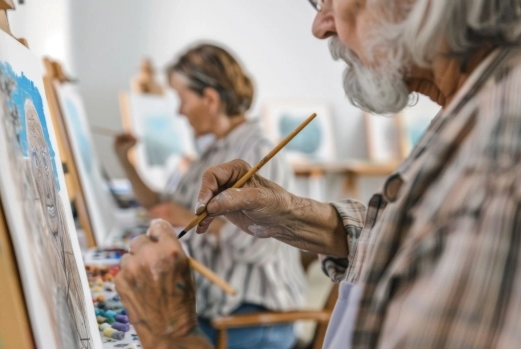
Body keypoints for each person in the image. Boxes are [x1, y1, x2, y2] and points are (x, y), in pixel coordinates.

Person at [116, 0, 521, 348]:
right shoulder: (469, 113)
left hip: (251, 317)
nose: (320, 26)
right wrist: (291, 214)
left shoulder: (496, 164)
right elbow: (418, 246)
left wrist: (173, 335)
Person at [114, 43, 306, 348]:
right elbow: (163, 206)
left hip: (253, 319)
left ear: (210, 99)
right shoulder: (213, 151)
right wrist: (126, 160)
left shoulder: (256, 151)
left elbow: (258, 245)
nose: (179, 110)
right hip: (216, 311)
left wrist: (188, 218)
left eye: (181, 99)